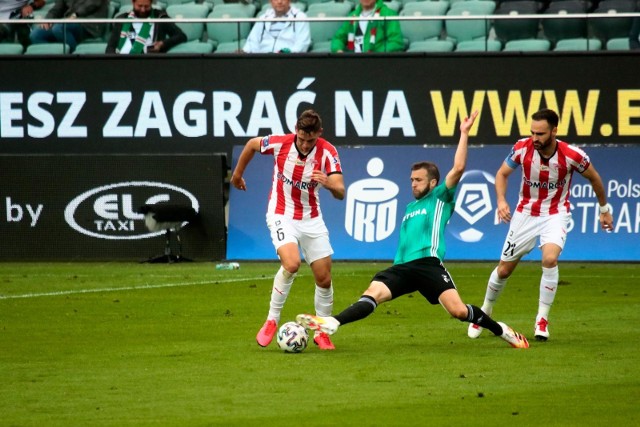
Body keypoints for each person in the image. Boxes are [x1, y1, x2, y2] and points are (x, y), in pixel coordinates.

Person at [297, 110, 531, 350]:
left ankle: (502, 330)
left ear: (432, 183)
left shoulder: (441, 197)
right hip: (402, 267)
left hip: (428, 264)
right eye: (411, 180)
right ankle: (333, 322)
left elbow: (458, 168)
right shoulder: (410, 206)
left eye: (418, 180)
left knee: (459, 311)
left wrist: (464, 132)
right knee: (372, 293)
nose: (413, 184)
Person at [467, 108, 614, 342]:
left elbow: (594, 178)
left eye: (541, 133)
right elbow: (502, 174)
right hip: (525, 213)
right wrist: (501, 201)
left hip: (555, 213)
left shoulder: (572, 155)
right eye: (532, 132)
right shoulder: (522, 148)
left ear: (554, 130)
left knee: (549, 259)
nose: (535, 138)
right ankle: (485, 311)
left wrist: (604, 209)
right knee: (504, 270)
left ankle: (542, 319)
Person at [230, 110, 345, 351]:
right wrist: (237, 175)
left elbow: (340, 191)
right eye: (301, 138)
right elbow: (252, 144)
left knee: (324, 278)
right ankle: (272, 319)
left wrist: (327, 182)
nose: (304, 144)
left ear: (319, 135)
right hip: (281, 214)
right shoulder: (280, 143)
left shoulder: (327, 151)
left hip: (312, 219)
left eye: (310, 140)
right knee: (292, 263)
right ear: (296, 130)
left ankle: (321, 332)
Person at [106, 0, 186, 54]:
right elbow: (111, 46)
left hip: (148, 63)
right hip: (121, 62)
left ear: (151, 4)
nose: (143, 10)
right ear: (133, 3)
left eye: (146, 6)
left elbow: (181, 36)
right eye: (140, 6)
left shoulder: (160, 18)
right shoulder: (122, 19)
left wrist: (162, 44)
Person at [29, 0, 108, 53]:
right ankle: (52, 63)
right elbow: (57, 9)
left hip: (88, 25)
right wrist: (48, 19)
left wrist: (76, 14)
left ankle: (73, 60)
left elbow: (92, 4)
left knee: (59, 28)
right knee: (36, 34)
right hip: (67, 24)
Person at [331, 0, 404, 53]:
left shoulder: (388, 14)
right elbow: (339, 38)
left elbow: (396, 43)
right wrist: (338, 50)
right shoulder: (353, 16)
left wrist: (374, 55)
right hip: (353, 62)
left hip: (378, 63)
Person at [242, 0, 310, 53]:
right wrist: (245, 51)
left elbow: (302, 44)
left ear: (289, 0)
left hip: (287, 60)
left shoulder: (300, 17)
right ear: (270, 1)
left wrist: (286, 54)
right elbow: (252, 41)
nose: (279, 1)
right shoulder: (263, 18)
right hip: (262, 60)